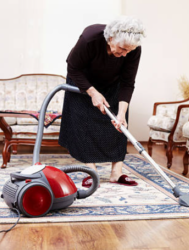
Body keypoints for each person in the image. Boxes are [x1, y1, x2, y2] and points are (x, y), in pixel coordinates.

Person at [59, 16, 146, 187]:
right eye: (122, 49)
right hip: (82, 81)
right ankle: (91, 172)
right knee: (83, 123)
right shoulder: (90, 38)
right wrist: (92, 92)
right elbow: (73, 67)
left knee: (118, 124)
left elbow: (128, 82)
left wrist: (121, 114)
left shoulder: (133, 49)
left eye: (129, 51)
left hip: (113, 83)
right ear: (111, 38)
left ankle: (116, 173)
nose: (124, 54)